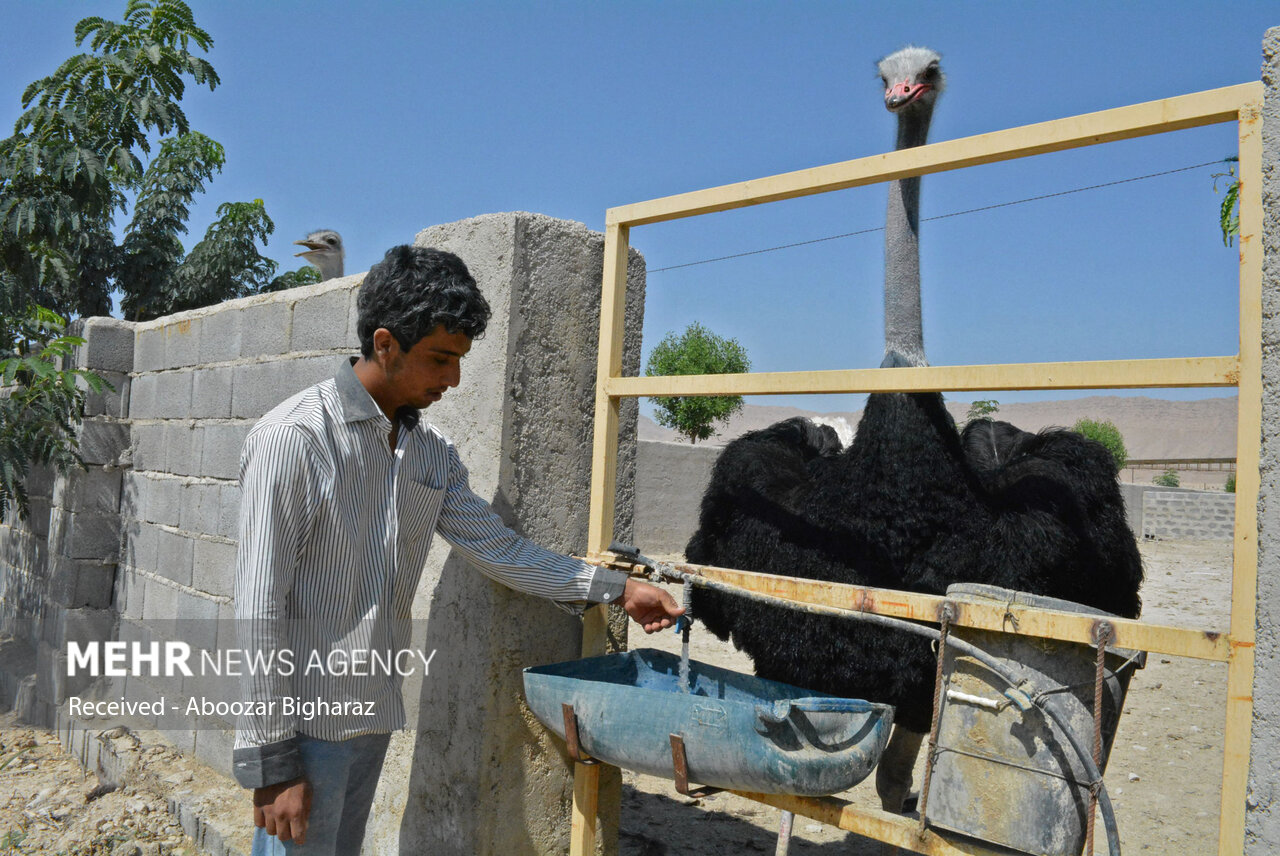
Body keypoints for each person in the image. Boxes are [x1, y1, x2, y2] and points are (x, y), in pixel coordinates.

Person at [232, 245, 682, 854]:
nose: (454, 380)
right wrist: (273, 762)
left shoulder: (429, 453)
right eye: (441, 359)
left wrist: (617, 588)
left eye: (461, 359)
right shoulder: (295, 440)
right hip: (302, 732)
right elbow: (259, 608)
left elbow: (502, 552)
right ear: (385, 343)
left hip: (370, 716)